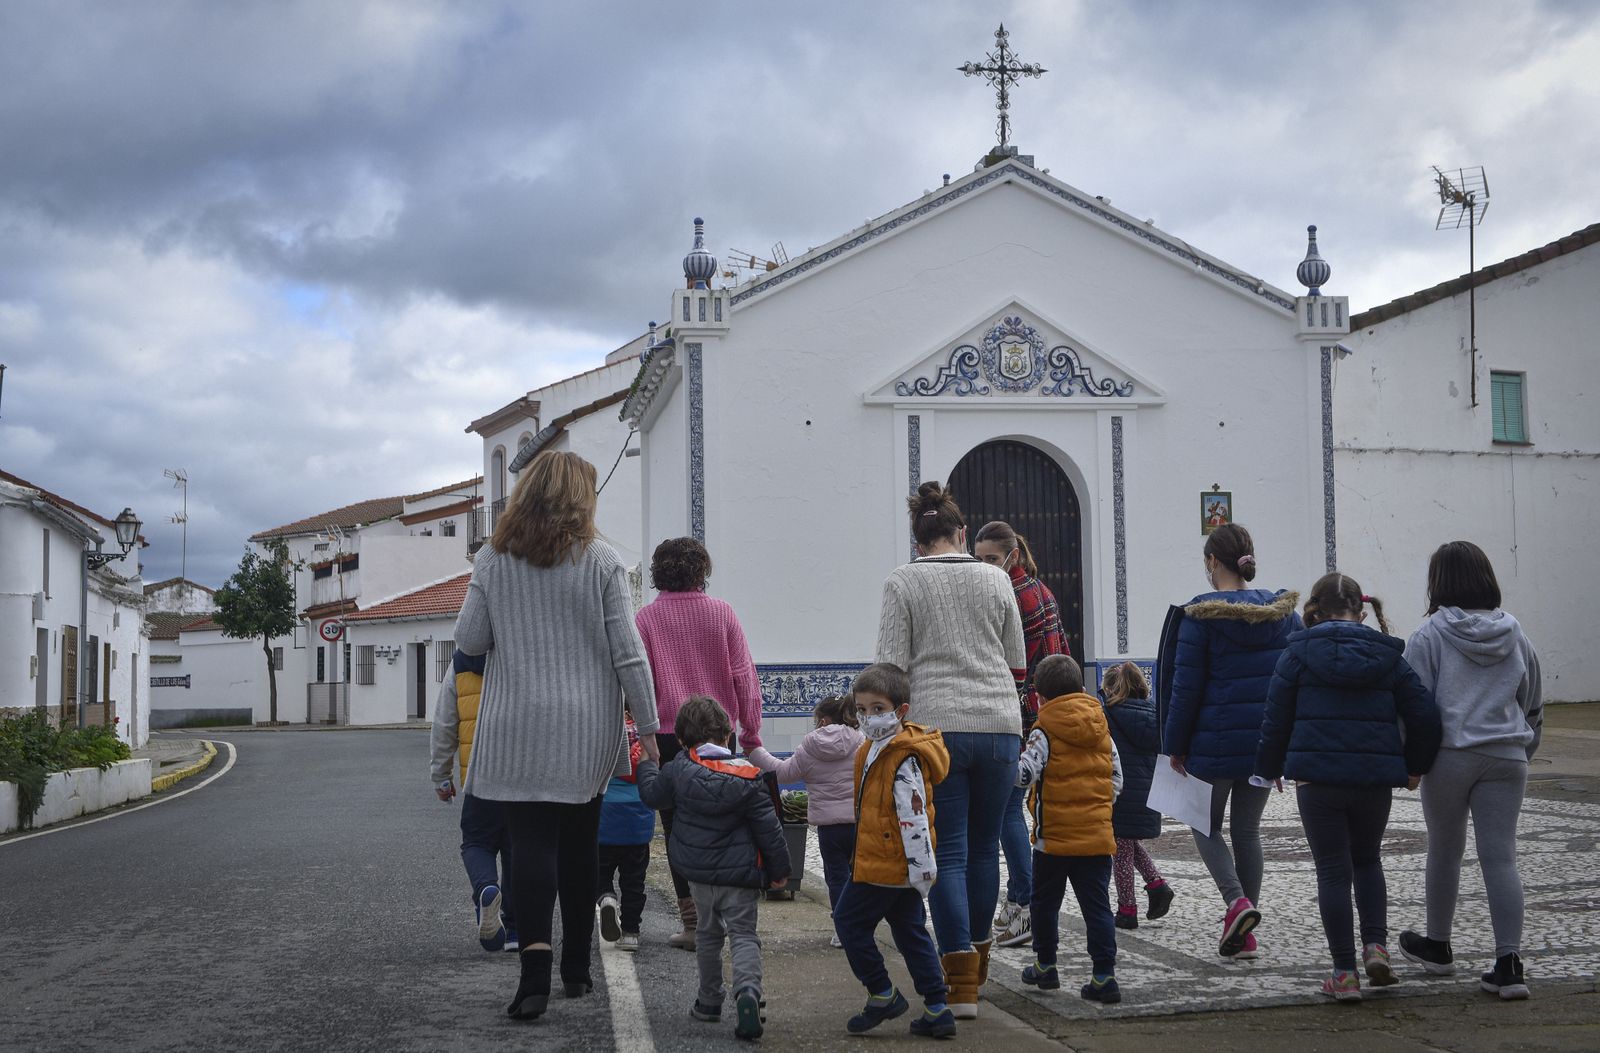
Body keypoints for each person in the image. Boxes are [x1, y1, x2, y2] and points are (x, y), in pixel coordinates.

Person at [453, 449, 659, 1022]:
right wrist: (648, 728)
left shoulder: (494, 558)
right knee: (579, 847)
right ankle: (577, 970)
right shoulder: (602, 561)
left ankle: (534, 978)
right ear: (581, 498)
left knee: (529, 847)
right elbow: (629, 654)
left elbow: (469, 639)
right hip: (586, 729)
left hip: (515, 729)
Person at [876, 481, 1026, 1018]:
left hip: (935, 730)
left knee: (951, 853)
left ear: (918, 541)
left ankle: (958, 981)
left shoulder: (902, 582)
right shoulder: (996, 577)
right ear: (962, 533)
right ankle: (976, 970)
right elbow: (1016, 657)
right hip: (1000, 725)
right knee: (988, 849)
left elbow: (891, 668)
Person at [1255, 573, 1442, 1001]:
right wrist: (1415, 766)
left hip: (1318, 782)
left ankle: (1344, 973)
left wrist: (1269, 767)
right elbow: (1425, 715)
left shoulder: (1297, 654)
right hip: (1372, 783)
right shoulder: (1389, 656)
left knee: (1332, 872)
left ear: (1315, 612)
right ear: (1361, 613)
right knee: (1368, 861)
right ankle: (1376, 947)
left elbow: (1275, 717)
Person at [1397, 541, 1542, 1000]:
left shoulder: (1429, 635)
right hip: (1506, 756)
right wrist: (1524, 750)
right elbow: (1532, 700)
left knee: (1445, 849)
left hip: (1450, 755)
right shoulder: (1516, 633)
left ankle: (1438, 945)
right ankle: (1509, 963)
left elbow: (1414, 706)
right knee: (1501, 857)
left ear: (1438, 581)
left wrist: (1413, 760)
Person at [1162, 522, 1301, 961]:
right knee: (1247, 832)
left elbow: (1186, 689)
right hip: (1264, 744)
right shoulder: (1284, 616)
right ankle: (1245, 934)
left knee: (1204, 825)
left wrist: (1174, 745)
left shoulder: (1200, 616)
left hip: (1212, 743)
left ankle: (1237, 903)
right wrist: (1284, 747)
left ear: (1211, 562)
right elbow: (1294, 682)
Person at [636, 537, 765, 952]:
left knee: (679, 833)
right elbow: (745, 677)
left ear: (659, 572)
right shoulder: (722, 613)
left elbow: (641, 682)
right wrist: (750, 735)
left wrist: (646, 733)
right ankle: (730, 915)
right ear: (701, 570)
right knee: (728, 825)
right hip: (719, 737)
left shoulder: (646, 619)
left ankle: (693, 923)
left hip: (672, 739)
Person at [637, 695, 791, 1042]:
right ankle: (748, 993)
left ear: (680, 740)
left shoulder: (677, 771)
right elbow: (771, 831)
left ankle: (708, 1001)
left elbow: (650, 795)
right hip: (740, 877)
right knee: (743, 935)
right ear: (727, 736)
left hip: (699, 875)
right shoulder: (750, 778)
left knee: (707, 934)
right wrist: (781, 872)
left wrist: (649, 762)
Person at [829, 663, 957, 1040]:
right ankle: (937, 1006)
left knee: (849, 922)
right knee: (909, 929)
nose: (869, 717)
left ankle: (881, 991)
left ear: (900, 711)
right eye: (862, 709)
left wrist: (921, 870)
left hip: (886, 864)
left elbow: (913, 816)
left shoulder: (902, 755)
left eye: (878, 708)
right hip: (885, 861)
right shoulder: (873, 748)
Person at [973, 520, 1067, 952]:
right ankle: (1021, 900)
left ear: (1011, 555)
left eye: (990, 559)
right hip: (1039, 709)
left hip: (1018, 712)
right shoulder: (1040, 589)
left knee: (1008, 811)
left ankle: (1023, 902)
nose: (984, 566)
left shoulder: (1013, 593)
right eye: (978, 559)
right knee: (1012, 810)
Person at [1015, 654, 1124, 1004]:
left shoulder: (1043, 730)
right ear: (1080, 689)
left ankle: (1045, 966)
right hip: (1096, 839)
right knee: (1097, 907)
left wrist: (1003, 767)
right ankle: (1104, 976)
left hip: (1053, 843)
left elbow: (1026, 773)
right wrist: (1095, 805)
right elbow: (1117, 778)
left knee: (1045, 904)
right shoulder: (1101, 726)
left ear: (1039, 698)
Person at [748, 695, 864, 946]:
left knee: (836, 878)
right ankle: (860, 926)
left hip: (829, 829)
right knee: (859, 877)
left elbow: (783, 773)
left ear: (822, 720)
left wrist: (754, 751)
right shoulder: (861, 742)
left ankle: (842, 932)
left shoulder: (810, 746)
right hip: (859, 824)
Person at [429, 648, 517, 952]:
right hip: (523, 774)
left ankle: (486, 887)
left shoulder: (461, 662)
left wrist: (441, 775)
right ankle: (516, 928)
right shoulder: (523, 651)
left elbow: (444, 723)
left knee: (477, 843)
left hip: (480, 774)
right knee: (517, 847)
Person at [1099, 661, 1174, 930]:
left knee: (1120, 851)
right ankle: (1157, 885)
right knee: (1127, 843)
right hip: (1146, 791)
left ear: (1109, 689)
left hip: (1121, 792)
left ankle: (1127, 909)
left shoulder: (1108, 714)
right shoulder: (1154, 714)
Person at [597, 713, 653, 953]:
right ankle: (631, 931)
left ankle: (606, 897)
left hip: (604, 816)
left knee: (598, 872)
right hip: (637, 820)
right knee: (634, 880)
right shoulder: (643, 734)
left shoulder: (602, 726)